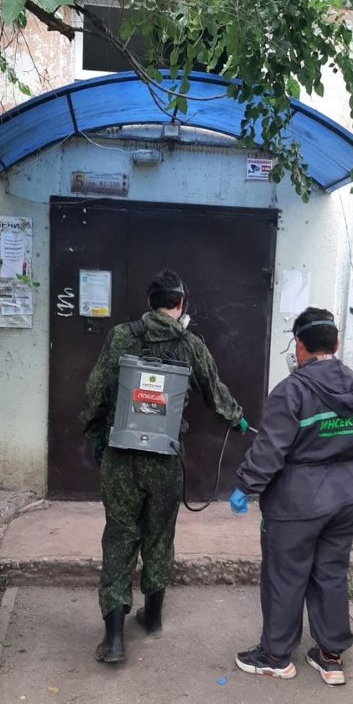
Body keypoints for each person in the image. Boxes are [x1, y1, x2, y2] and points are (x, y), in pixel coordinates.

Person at [80, 269, 247, 664]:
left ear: (149, 303)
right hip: (165, 458)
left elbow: (96, 390)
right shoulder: (190, 344)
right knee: (159, 534)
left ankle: (114, 639)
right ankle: (152, 618)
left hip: (122, 456)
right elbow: (215, 393)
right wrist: (237, 419)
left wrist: (95, 432)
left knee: (120, 536)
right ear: (181, 304)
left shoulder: (122, 336)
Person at [230, 307, 353, 685]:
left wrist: (245, 486)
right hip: (346, 495)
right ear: (335, 344)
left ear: (299, 345)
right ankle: (330, 656)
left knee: (285, 575)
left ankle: (275, 655)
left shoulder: (292, 390)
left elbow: (270, 450)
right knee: (331, 573)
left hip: (299, 501)